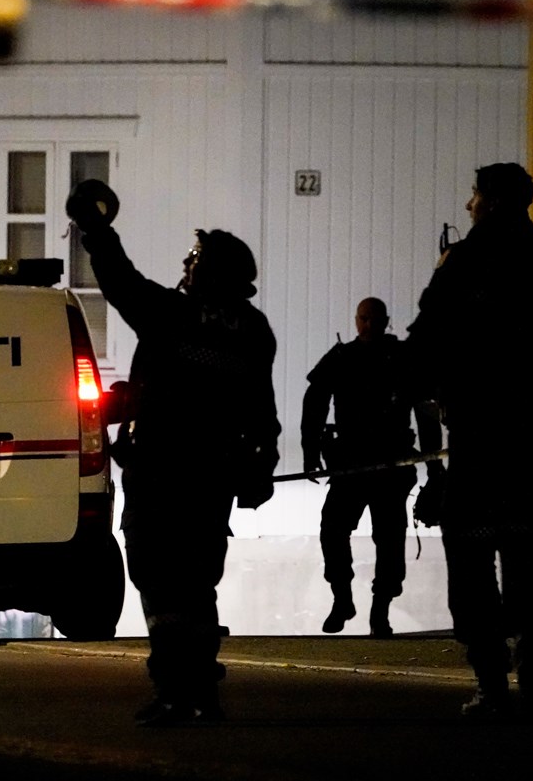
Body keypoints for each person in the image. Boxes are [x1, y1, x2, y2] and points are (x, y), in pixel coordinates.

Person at [66, 179, 282, 727]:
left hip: (160, 474)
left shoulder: (171, 315)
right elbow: (261, 408)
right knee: (197, 583)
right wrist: (261, 466)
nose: (186, 264)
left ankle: (173, 691)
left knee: (160, 583)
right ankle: (202, 689)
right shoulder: (253, 330)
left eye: (195, 258)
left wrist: (96, 230)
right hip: (213, 476)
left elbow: (121, 282)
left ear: (210, 272)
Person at [405, 162, 533, 717]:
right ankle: (532, 665)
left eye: (474, 196)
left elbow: (426, 338)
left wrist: (418, 388)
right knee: (523, 540)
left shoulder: (464, 261)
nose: (469, 205)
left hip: (477, 423)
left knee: (469, 542)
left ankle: (491, 679)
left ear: (490, 201)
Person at [301, 297, 443, 638]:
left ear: (385, 321)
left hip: (390, 465)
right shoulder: (343, 357)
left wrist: (434, 464)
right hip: (352, 464)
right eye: (363, 319)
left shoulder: (402, 359)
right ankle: (343, 597)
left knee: (389, 539)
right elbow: (315, 400)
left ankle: (380, 610)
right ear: (356, 320)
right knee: (333, 530)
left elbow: (426, 411)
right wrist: (310, 450)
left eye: (374, 320)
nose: (368, 326)